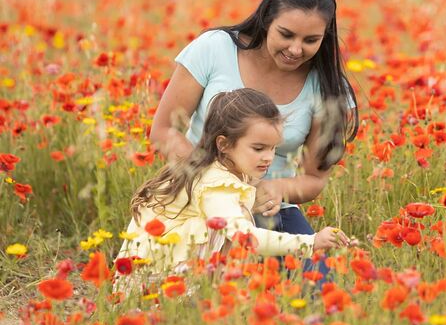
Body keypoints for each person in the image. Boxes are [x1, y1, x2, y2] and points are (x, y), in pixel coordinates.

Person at [149, 0, 358, 241]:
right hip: (196, 191)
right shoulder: (215, 47)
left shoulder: (328, 87)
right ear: (267, 20)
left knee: (310, 278)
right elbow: (163, 130)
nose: (295, 49)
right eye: (286, 34)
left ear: (324, 37)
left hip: (267, 208)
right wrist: (215, 181)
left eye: (310, 40)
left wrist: (274, 189)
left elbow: (314, 178)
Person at [118, 89, 349, 272]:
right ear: (224, 144)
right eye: (258, 148)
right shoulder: (217, 185)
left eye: (273, 148)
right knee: (231, 230)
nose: (268, 157)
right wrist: (310, 242)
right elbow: (246, 238)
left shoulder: (224, 168)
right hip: (157, 279)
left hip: (164, 265)